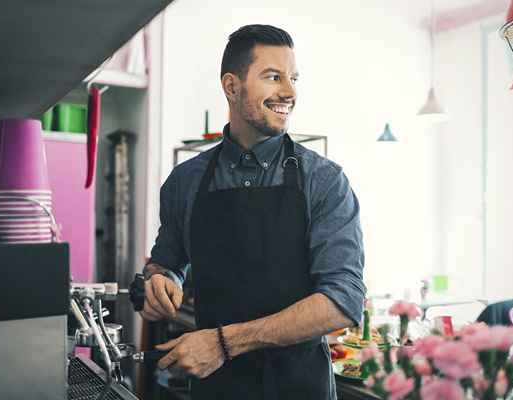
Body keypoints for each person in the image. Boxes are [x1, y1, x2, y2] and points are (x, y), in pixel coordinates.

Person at [134, 24, 365, 400]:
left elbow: (343, 301)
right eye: (273, 77)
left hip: (299, 388)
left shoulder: (324, 181)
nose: (289, 92)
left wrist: (224, 343)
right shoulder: (185, 181)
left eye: (293, 78)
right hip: (216, 389)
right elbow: (166, 263)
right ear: (231, 86)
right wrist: (160, 282)